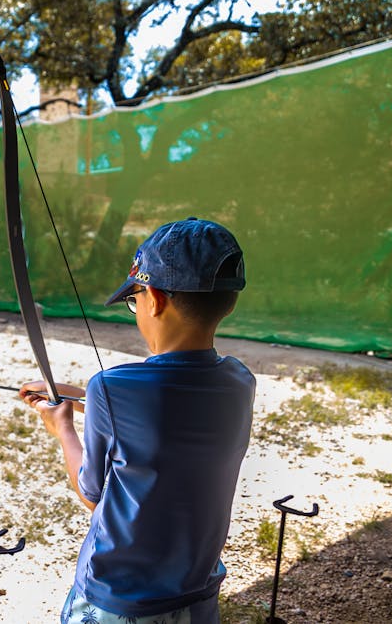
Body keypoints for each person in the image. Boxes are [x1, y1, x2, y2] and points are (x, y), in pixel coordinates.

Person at [19, 217, 255, 624]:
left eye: (135, 298)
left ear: (156, 299)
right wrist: (75, 395)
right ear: (229, 302)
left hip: (118, 602)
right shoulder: (239, 381)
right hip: (197, 596)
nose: (137, 309)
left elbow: (93, 493)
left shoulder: (113, 389)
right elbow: (167, 417)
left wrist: (62, 427)